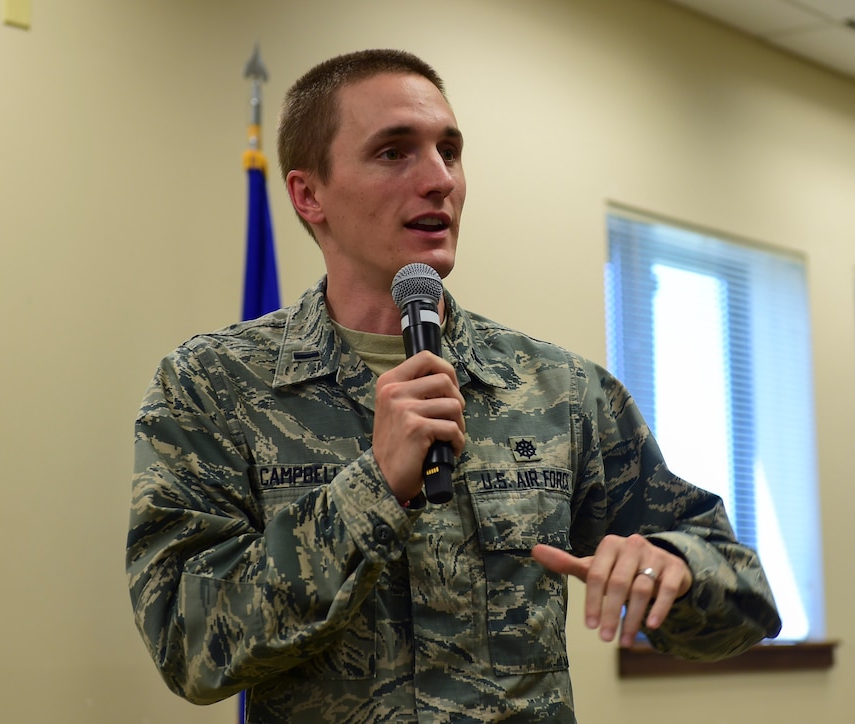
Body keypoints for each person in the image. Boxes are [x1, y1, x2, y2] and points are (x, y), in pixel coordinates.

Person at [127, 49, 781, 723]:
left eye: (450, 150)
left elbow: (748, 604)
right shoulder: (212, 386)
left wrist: (674, 567)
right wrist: (372, 490)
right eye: (393, 152)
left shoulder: (556, 390)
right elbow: (189, 643)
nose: (440, 179)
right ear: (308, 194)